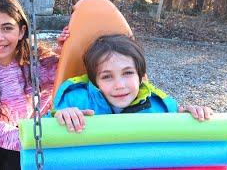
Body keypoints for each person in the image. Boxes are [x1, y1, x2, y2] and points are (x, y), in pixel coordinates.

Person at [0, 0, 67, 170]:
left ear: (22, 31)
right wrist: (30, 138)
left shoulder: (39, 60)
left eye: (7, 28)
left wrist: (65, 48)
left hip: (37, 131)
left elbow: (70, 73)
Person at [52, 34, 213, 133]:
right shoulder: (76, 101)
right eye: (107, 77)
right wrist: (62, 116)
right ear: (95, 82)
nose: (119, 85)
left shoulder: (159, 106)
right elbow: (43, 129)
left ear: (141, 76)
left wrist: (192, 115)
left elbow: (180, 131)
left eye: (127, 73)